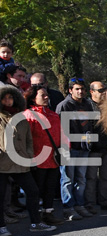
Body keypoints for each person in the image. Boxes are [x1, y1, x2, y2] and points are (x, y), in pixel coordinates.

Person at [0, 85, 56, 236]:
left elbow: (29, 140)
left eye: (10, 97)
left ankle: (35, 223)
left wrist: (29, 155)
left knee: (33, 191)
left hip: (21, 162)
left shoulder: (21, 117)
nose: (8, 100)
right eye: (4, 98)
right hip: (2, 163)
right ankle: (1, 227)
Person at [23, 86, 64, 225]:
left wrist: (65, 148)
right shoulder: (28, 115)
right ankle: (37, 217)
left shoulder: (53, 115)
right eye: (43, 95)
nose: (47, 97)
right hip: (37, 160)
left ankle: (48, 213)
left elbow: (61, 135)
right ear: (33, 98)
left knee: (50, 188)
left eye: (47, 95)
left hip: (53, 159)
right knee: (37, 190)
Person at [56, 77, 95, 221]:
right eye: (77, 89)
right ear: (70, 90)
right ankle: (68, 208)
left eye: (82, 89)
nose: (80, 92)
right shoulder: (64, 105)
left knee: (81, 179)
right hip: (68, 148)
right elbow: (58, 129)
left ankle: (80, 205)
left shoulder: (87, 104)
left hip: (84, 147)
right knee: (67, 179)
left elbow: (90, 123)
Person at [85, 81, 107, 212]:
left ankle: (104, 200)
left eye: (104, 90)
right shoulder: (87, 106)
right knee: (90, 177)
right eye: (100, 91)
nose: (103, 93)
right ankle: (89, 202)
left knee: (106, 177)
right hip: (93, 148)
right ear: (92, 92)